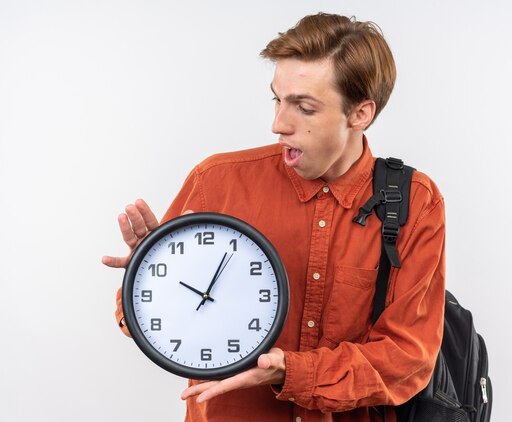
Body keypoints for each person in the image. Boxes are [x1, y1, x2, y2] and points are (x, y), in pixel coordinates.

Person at [103, 12, 446, 422]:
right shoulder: (217, 181)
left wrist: (292, 373)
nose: (278, 124)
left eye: (303, 107)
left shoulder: (415, 202)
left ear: (360, 114)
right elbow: (138, 322)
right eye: (277, 99)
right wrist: (150, 274)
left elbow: (408, 360)